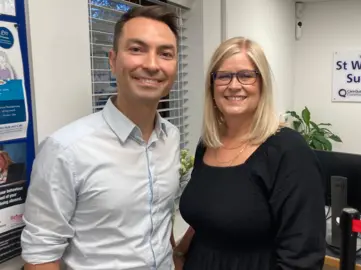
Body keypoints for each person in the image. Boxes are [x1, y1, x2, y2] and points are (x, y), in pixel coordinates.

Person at [21, 5, 184, 270]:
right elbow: (41, 255)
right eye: (136, 49)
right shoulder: (66, 149)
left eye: (165, 54)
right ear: (113, 60)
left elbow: (159, 220)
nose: (152, 64)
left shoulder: (171, 138)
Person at [175, 37, 326, 270]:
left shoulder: (288, 150)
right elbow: (206, 219)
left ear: (262, 84)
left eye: (246, 75)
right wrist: (178, 253)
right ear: (212, 85)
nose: (234, 85)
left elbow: (302, 257)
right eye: (224, 76)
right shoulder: (207, 144)